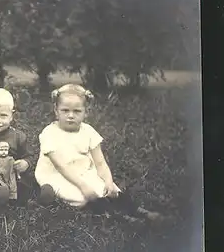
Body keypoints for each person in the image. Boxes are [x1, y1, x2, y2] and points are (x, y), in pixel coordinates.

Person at [34, 83, 163, 221]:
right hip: (57, 175)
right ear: (56, 110)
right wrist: (84, 187)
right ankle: (120, 218)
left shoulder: (88, 131)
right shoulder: (49, 133)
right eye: (65, 110)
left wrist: (108, 181)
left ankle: (140, 212)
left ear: (86, 112)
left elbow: (100, 163)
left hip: (83, 171)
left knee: (109, 190)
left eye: (77, 111)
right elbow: (61, 167)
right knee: (84, 196)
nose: (70, 115)